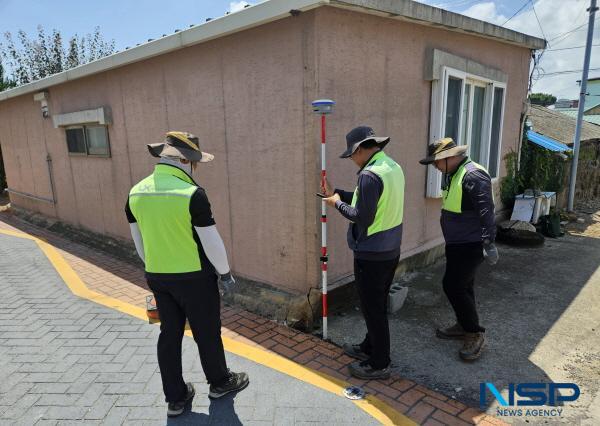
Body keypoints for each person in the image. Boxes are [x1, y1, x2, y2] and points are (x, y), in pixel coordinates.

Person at [125, 131, 249, 417]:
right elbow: (211, 241)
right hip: (195, 279)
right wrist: (225, 273)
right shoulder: (192, 194)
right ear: (183, 160)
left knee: (169, 334)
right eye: (194, 162)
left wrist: (156, 267)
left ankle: (176, 398)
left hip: (157, 275)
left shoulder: (136, 192)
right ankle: (220, 383)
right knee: (206, 332)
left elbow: (139, 243)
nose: (195, 167)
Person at [321, 126, 405, 380]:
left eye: (351, 155)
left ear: (359, 149)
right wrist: (338, 194)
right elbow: (368, 200)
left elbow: (361, 216)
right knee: (375, 305)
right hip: (390, 250)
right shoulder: (391, 167)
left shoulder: (369, 175)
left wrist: (336, 204)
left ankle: (380, 363)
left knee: (373, 309)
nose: (352, 160)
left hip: (371, 254)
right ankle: (370, 346)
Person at [419, 137, 498, 361]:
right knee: (464, 286)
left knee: (452, 286)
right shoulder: (455, 173)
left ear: (449, 158)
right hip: (457, 242)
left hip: (470, 244)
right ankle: (464, 325)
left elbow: (486, 211)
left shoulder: (472, 175)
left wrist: (489, 242)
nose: (434, 166)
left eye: (436, 161)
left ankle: (475, 332)